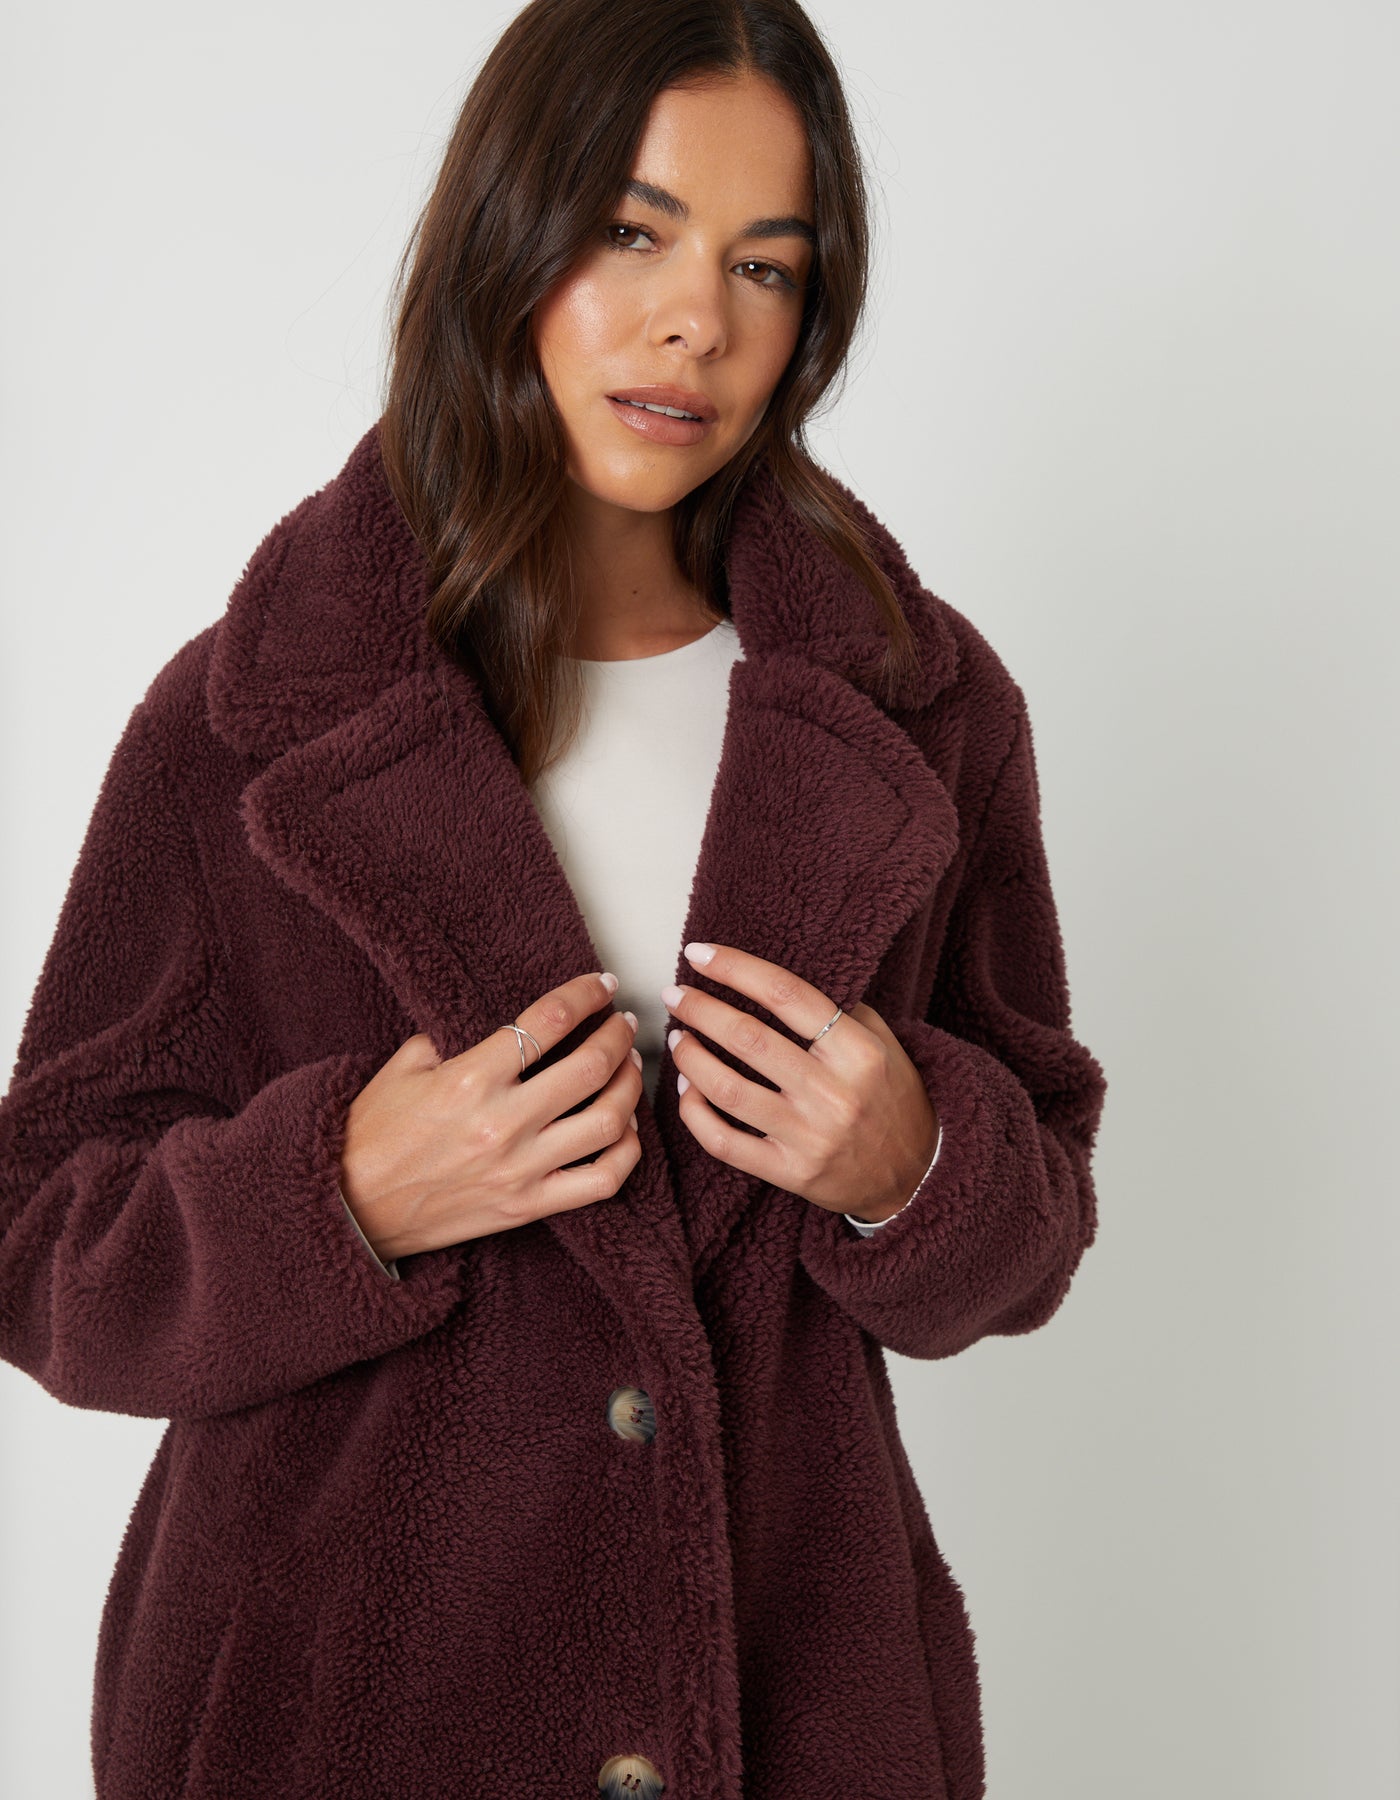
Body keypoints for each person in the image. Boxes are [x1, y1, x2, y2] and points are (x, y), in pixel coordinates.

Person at [0, 1, 1108, 1795]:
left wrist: (915, 1167)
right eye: (631, 231)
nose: (698, 321)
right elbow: (41, 1235)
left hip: (795, 1702)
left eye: (766, 263)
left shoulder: (920, 708)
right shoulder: (245, 715)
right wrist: (341, 1195)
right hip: (330, 1716)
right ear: (504, 234)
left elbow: (1036, 1218)